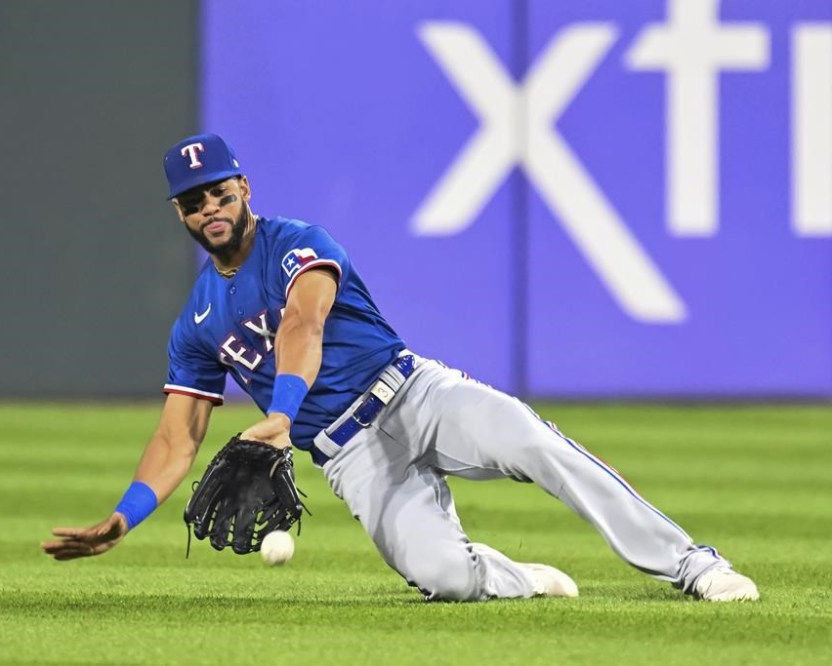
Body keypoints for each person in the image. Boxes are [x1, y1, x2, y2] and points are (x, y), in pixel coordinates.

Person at [41, 133, 759, 602]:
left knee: (537, 445)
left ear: (245, 189)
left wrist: (282, 413)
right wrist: (122, 519)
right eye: (195, 201)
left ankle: (691, 565)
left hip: (415, 392)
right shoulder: (195, 322)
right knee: (446, 579)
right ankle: (511, 577)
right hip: (351, 455)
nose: (211, 207)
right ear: (180, 214)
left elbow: (304, 322)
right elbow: (177, 440)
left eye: (221, 192)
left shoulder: (296, 242)